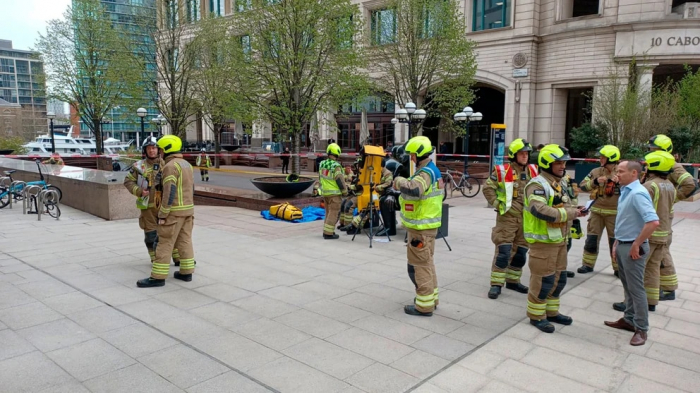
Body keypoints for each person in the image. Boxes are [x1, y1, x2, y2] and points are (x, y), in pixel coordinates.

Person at [523, 144, 587, 333]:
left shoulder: (559, 183)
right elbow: (540, 210)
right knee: (543, 280)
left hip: (559, 239)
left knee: (559, 280)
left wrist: (577, 211)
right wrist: (570, 213)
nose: (562, 166)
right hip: (543, 243)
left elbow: (564, 206)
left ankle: (552, 312)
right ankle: (536, 315)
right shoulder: (537, 185)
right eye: (558, 162)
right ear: (546, 163)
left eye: (564, 162)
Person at [604, 160, 659, 346]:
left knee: (636, 290)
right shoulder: (627, 191)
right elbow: (626, 221)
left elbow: (652, 222)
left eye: (620, 171)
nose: (616, 175)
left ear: (634, 173)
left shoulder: (637, 193)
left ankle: (641, 329)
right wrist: (617, 242)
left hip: (633, 247)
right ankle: (628, 319)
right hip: (623, 244)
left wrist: (637, 243)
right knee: (627, 286)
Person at [613, 151, 676, 313]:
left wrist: (636, 241)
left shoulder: (648, 186)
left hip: (647, 235)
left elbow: (644, 214)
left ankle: (629, 304)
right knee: (653, 269)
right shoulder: (669, 185)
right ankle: (652, 301)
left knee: (635, 274)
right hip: (664, 233)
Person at [393, 136, 443, 317]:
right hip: (428, 227)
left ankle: (424, 306)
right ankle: (431, 299)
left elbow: (415, 189)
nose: (411, 158)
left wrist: (398, 181)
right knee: (427, 263)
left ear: (420, 153)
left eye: (412, 154)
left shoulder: (425, 173)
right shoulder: (433, 170)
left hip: (421, 230)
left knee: (418, 266)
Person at [482, 138, 538, 299]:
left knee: (521, 252)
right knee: (503, 252)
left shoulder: (534, 170)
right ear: (514, 155)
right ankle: (496, 284)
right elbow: (488, 188)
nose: (525, 156)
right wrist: (497, 204)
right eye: (522, 154)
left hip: (526, 219)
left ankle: (513, 281)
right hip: (507, 219)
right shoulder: (502, 170)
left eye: (527, 153)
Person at [137, 135, 196, 288]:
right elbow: (191, 188)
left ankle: (158, 277)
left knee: (164, 243)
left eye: (160, 149)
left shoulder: (170, 166)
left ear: (166, 149)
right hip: (188, 211)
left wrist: (163, 214)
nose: (159, 152)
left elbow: (169, 192)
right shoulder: (186, 165)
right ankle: (187, 272)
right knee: (185, 241)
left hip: (174, 212)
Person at [647, 134, 697, 300]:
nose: (650, 151)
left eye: (653, 148)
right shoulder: (658, 162)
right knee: (661, 251)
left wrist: (673, 197)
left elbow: (690, 184)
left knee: (662, 251)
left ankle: (667, 288)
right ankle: (666, 287)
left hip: (661, 215)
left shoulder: (672, 166)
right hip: (656, 213)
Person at [123, 136, 173, 265]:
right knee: (151, 236)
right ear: (145, 150)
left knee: (170, 233)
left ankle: (178, 258)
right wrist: (139, 191)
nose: (152, 151)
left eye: (154, 148)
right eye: (149, 148)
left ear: (159, 150)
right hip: (148, 208)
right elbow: (128, 181)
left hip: (165, 206)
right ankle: (155, 259)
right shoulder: (139, 166)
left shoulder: (167, 164)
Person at [577, 145, 621, 275]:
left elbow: (634, 188)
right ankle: (587, 265)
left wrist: (620, 182)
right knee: (591, 239)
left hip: (614, 214)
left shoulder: (621, 172)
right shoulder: (596, 172)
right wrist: (595, 181)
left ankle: (618, 268)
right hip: (596, 212)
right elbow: (582, 186)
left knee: (615, 242)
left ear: (611, 158)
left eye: (603, 157)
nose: (600, 159)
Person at [342, 158, 394, 234]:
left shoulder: (388, 173)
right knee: (349, 204)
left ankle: (355, 226)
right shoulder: (373, 172)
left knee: (368, 206)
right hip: (368, 193)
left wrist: (376, 188)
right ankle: (350, 226)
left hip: (378, 195)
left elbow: (388, 184)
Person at [313, 143, 347, 239]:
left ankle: (327, 230)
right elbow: (339, 180)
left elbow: (321, 178)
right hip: (334, 194)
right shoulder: (336, 166)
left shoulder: (322, 164)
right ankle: (328, 233)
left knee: (328, 213)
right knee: (334, 213)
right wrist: (345, 191)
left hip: (325, 193)